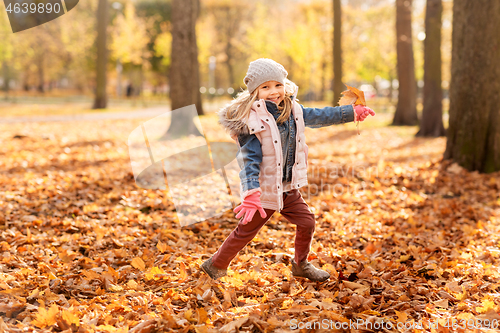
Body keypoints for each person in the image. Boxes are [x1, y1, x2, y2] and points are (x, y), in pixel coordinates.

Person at [201, 58, 375, 282]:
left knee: (307, 222)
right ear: (255, 91)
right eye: (265, 87)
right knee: (246, 231)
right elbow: (249, 159)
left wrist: (350, 113)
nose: (273, 92)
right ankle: (216, 264)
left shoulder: (293, 110)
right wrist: (251, 191)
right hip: (263, 190)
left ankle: (301, 264)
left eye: (278, 85)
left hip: (287, 186)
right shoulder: (252, 121)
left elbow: (321, 115)